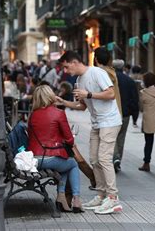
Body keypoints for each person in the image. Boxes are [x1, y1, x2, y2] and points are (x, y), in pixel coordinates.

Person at [56, 51, 123, 215]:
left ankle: (113, 198)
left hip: (110, 121)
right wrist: (63, 102)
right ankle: (101, 195)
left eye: (66, 67)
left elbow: (111, 94)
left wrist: (89, 94)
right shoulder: (79, 81)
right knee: (94, 159)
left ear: (73, 62)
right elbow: (82, 106)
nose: (65, 71)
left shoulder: (96, 72)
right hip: (97, 123)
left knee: (104, 158)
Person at [27, 85, 83, 213]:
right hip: (49, 157)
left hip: (34, 159)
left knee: (64, 165)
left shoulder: (33, 115)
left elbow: (31, 136)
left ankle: (61, 198)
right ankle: (76, 199)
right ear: (50, 96)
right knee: (73, 164)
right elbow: (70, 140)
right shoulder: (58, 113)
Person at [111, 59, 140, 173]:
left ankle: (115, 157)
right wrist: (135, 117)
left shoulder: (109, 80)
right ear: (123, 68)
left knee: (112, 137)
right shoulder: (129, 81)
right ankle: (118, 159)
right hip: (125, 114)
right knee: (121, 137)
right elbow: (135, 100)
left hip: (112, 113)